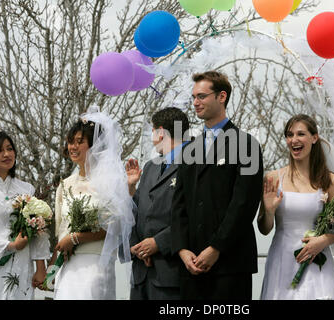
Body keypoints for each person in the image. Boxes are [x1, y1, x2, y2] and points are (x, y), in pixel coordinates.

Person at [171, 71, 264, 300]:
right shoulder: (188, 149)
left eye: (201, 96)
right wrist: (182, 250)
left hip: (230, 265)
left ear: (222, 96)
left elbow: (244, 204)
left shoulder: (246, 144)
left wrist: (216, 248)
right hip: (190, 266)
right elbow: (178, 205)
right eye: (193, 97)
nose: (195, 102)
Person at [50, 106, 134, 300]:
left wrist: (76, 238)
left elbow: (116, 227)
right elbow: (61, 230)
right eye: (71, 142)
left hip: (96, 263)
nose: (73, 147)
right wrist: (52, 269)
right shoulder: (66, 185)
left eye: (80, 142)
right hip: (68, 265)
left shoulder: (111, 183)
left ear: (95, 145)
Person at [258, 114, 334, 300]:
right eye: (289, 135)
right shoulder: (273, 178)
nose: (294, 140)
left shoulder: (331, 181)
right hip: (282, 259)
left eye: (300, 134)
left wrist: (321, 242)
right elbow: (264, 229)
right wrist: (269, 211)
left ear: (314, 138)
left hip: (317, 260)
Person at [125, 107, 190, 300]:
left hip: (170, 273)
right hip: (140, 275)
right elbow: (137, 211)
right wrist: (137, 247)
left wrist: (157, 243)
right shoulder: (150, 167)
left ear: (160, 132)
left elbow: (194, 214)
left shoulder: (194, 164)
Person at [0, 125, 50, 299]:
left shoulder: (26, 189)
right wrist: (10, 246)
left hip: (22, 266)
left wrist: (40, 267)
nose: (7, 154)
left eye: (10, 149)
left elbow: (38, 231)